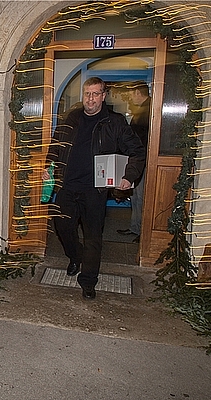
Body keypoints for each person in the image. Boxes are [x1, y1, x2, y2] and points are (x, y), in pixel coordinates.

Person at [43, 77, 145, 299]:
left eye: (95, 94)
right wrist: (48, 167)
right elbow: (55, 145)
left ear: (103, 95)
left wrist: (129, 176)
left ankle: (88, 280)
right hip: (67, 186)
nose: (90, 98)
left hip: (95, 191)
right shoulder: (70, 118)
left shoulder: (115, 123)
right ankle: (75, 256)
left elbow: (137, 151)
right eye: (87, 93)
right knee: (63, 227)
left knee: (93, 237)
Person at [117, 82, 151, 243]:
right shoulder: (142, 110)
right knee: (137, 196)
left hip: (144, 160)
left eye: (131, 94)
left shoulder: (148, 110)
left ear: (138, 92)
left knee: (142, 197)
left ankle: (143, 232)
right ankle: (135, 227)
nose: (130, 98)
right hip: (139, 160)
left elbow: (141, 140)